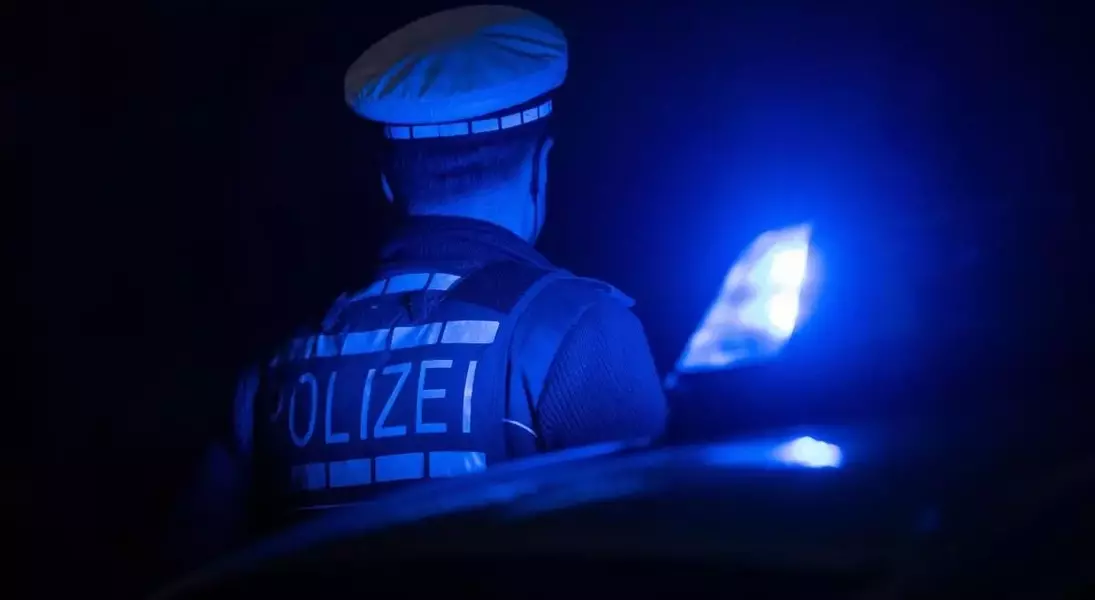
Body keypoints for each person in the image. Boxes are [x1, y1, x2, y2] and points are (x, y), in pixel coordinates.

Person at [167, 5, 667, 569]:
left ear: (387, 181)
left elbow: (189, 567)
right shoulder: (577, 330)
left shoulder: (274, 369)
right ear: (540, 168)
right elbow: (663, 551)